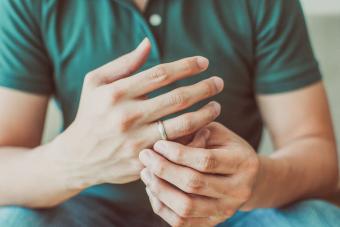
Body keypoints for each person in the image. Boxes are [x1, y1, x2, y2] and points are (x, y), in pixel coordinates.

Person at [0, 0, 339, 226]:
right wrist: (72, 162)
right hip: (82, 209)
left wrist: (255, 181)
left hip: (231, 214)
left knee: (319, 218)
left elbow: (318, 156)